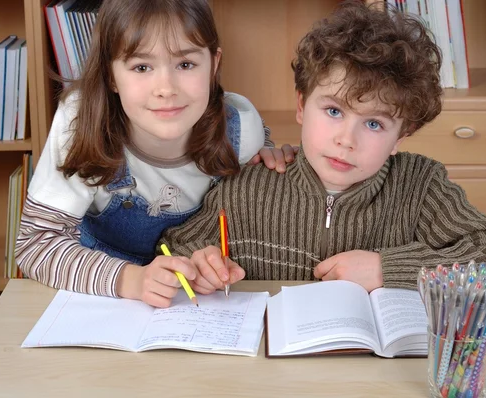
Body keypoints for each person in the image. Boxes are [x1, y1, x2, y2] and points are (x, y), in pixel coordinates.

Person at [159, 0, 486, 300]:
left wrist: (387, 269)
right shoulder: (244, 185)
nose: (346, 140)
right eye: (334, 111)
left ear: (402, 136)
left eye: (374, 123)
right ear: (302, 105)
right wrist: (198, 263)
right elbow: (173, 249)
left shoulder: (421, 186)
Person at [15, 0, 297, 308]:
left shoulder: (240, 130)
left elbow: (258, 156)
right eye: (141, 67)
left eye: (185, 65)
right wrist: (130, 280)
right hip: (104, 296)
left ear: (214, 65)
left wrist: (271, 158)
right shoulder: (81, 125)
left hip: (196, 302)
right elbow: (34, 243)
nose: (166, 89)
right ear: (111, 74)